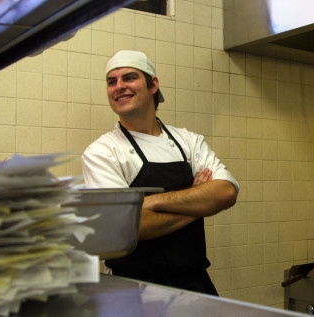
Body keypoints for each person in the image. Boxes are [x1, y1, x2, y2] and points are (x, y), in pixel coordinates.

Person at [81, 50, 239, 296]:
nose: (119, 87)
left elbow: (226, 192)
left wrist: (148, 203)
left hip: (194, 285)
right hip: (132, 289)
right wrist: (197, 201)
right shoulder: (103, 151)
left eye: (129, 78)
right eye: (112, 82)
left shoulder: (188, 140)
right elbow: (125, 228)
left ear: (153, 84)